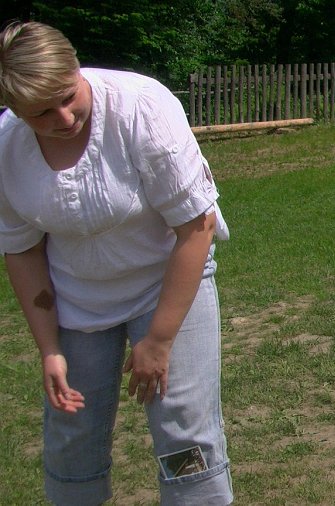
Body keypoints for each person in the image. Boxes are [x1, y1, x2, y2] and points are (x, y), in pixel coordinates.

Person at [0, 21, 233, 504]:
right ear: (16, 111)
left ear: (76, 67)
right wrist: (49, 349)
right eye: (41, 113)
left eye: (69, 96)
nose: (64, 117)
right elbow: (22, 250)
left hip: (166, 281)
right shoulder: (6, 148)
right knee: (72, 431)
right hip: (77, 299)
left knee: (184, 429)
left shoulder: (141, 106)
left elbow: (197, 227)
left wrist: (159, 340)